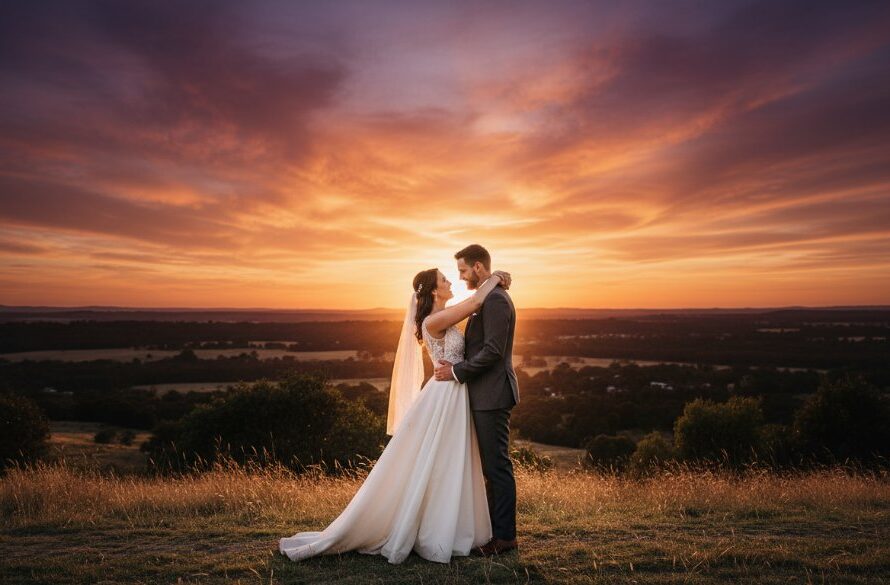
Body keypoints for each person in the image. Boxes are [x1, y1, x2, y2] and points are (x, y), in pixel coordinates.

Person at [279, 263, 512, 564]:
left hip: (454, 392)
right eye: (444, 279)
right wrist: (496, 277)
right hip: (444, 394)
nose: (451, 280)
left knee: (449, 462)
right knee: (438, 461)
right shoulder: (434, 320)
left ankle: (452, 525)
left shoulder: (442, 315)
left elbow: (473, 310)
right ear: (432, 290)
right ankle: (433, 528)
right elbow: (477, 301)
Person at [434, 244, 520, 556]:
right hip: (482, 393)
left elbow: (494, 351)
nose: (460, 276)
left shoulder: (495, 300)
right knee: (489, 466)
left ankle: (505, 538)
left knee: (497, 467)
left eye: (462, 270)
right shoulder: (487, 296)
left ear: (478, 269)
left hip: (493, 394)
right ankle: (493, 532)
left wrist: (457, 371)